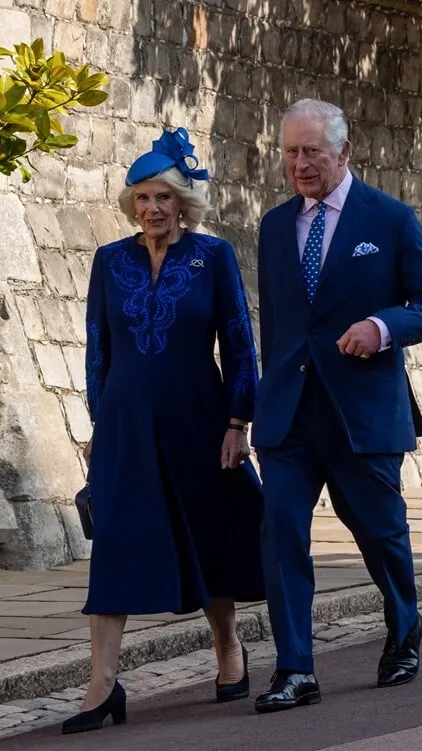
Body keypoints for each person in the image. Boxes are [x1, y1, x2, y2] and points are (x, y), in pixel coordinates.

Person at [252, 99, 422, 712]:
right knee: (280, 531)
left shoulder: (390, 219)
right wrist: (252, 411)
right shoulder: (273, 225)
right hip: (289, 414)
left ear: (344, 151)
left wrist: (380, 326)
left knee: (378, 531)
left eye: (312, 150)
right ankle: (295, 668)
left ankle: (404, 625)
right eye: (290, 152)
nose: (300, 163)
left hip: (361, 410)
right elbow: (278, 328)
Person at [66, 128, 264, 734]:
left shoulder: (214, 257)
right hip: (126, 423)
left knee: (207, 536)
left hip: (198, 419)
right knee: (118, 543)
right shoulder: (110, 260)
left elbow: (238, 341)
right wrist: (99, 421)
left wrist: (238, 421)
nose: (152, 208)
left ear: (184, 202)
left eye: (164, 197)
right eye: (143, 198)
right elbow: (97, 346)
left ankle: (229, 650)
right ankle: (102, 684)